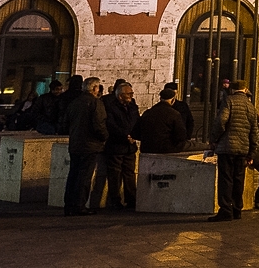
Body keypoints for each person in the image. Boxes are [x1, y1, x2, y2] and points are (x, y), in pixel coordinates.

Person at [209, 80, 259, 222]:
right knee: (239, 179)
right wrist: (252, 152)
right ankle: (237, 209)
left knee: (226, 179)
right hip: (243, 148)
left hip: (227, 147)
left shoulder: (229, 101)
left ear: (233, 89)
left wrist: (214, 139)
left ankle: (226, 210)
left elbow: (221, 121)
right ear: (245, 89)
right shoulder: (251, 106)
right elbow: (254, 131)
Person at [62, 77, 105, 216]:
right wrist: (105, 137)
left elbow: (65, 123)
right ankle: (79, 205)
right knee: (84, 176)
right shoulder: (94, 103)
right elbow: (99, 125)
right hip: (90, 145)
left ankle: (69, 205)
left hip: (75, 144)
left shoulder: (75, 102)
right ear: (94, 88)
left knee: (73, 174)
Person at [95, 80, 140, 210]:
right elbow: (111, 124)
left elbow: (136, 120)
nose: (131, 96)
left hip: (130, 146)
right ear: (120, 95)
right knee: (115, 174)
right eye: (129, 94)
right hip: (116, 145)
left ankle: (131, 199)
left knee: (129, 173)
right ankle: (115, 201)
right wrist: (125, 136)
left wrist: (134, 135)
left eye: (132, 93)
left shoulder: (132, 105)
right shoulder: (110, 105)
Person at [130, 85, 188, 155]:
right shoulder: (174, 114)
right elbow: (181, 136)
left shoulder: (148, 112)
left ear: (160, 98)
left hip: (147, 148)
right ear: (173, 100)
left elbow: (135, 133)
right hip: (167, 149)